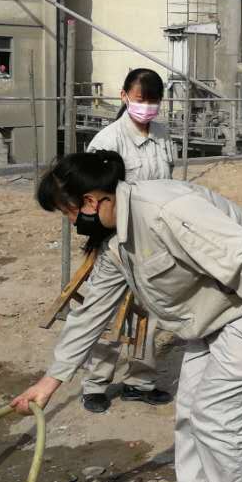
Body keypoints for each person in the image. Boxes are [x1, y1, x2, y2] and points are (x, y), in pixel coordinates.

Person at [11, 151, 242, 482]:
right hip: (209, 317)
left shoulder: (165, 210)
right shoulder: (117, 242)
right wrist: (50, 381)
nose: (72, 222)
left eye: (69, 212)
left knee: (217, 416)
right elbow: (91, 312)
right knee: (189, 415)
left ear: (92, 200)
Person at [67, 67, 177, 413]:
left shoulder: (163, 134)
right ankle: (95, 384)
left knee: (149, 312)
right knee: (106, 312)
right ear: (125, 97)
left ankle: (139, 382)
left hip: (154, 240)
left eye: (154, 100)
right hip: (115, 241)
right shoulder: (107, 141)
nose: (147, 107)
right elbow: (89, 198)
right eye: (141, 99)